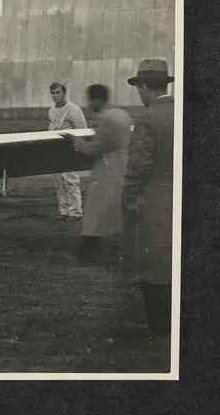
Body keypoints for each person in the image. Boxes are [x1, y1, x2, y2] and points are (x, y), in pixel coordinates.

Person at [121, 59, 176, 337]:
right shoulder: (184, 114)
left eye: (138, 88)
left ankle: (160, 328)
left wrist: (129, 203)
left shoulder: (148, 119)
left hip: (155, 202)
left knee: (154, 266)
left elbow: (137, 169)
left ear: (145, 87)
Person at [62, 84, 133, 270]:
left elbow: (96, 148)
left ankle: (86, 257)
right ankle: (109, 253)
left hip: (106, 172)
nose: (88, 105)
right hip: (122, 168)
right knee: (111, 214)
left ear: (97, 100)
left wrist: (76, 142)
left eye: (90, 100)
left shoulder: (106, 118)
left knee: (94, 215)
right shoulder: (122, 115)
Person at [48, 81, 88, 218]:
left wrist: (77, 147)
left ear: (64, 93)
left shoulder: (74, 109)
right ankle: (64, 211)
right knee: (59, 181)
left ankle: (75, 212)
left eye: (58, 92)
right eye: (52, 93)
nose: (55, 96)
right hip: (56, 148)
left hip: (69, 148)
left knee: (70, 180)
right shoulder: (52, 110)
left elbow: (82, 129)